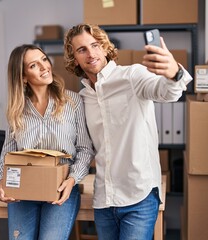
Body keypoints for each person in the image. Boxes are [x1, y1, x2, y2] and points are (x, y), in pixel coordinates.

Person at [63, 23, 192, 240]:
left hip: (138, 196)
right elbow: (85, 146)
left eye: (95, 45)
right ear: (74, 58)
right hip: (104, 199)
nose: (91, 53)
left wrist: (174, 73)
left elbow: (167, 92)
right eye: (82, 49)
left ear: (104, 47)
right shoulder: (83, 98)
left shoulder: (133, 76)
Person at [0, 44, 94, 240]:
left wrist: (72, 180)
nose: (44, 67)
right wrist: (1, 182)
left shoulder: (72, 102)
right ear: (23, 77)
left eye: (44, 59)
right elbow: (7, 155)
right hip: (23, 190)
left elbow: (84, 150)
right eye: (33, 65)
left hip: (60, 189)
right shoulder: (17, 110)